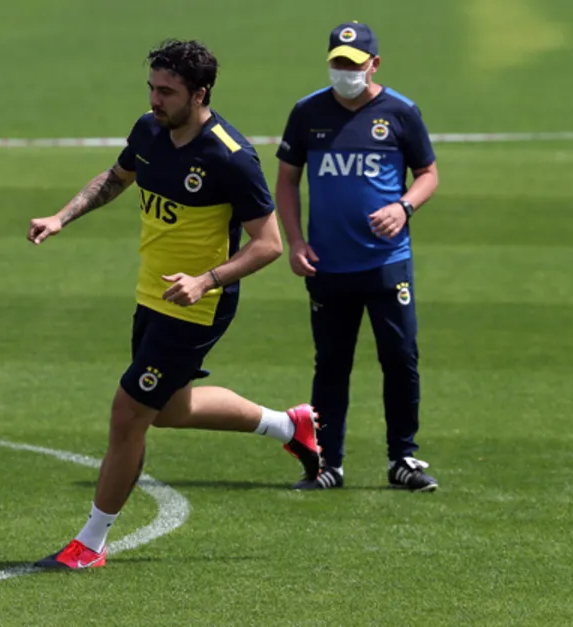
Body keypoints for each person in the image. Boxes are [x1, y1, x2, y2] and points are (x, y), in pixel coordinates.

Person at [27, 39, 320, 569]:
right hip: (152, 294)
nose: (155, 100)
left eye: (167, 92)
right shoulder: (149, 130)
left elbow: (268, 244)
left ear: (199, 94)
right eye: (152, 88)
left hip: (196, 306)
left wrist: (206, 280)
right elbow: (116, 178)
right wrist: (61, 217)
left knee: (129, 413)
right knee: (169, 409)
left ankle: (90, 543)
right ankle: (289, 425)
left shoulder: (230, 156)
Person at [274, 21, 441, 491]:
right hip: (327, 265)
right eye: (338, 63)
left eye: (353, 64)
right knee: (330, 364)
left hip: (387, 262)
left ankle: (403, 459)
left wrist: (403, 207)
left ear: (374, 64)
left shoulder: (400, 112)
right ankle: (327, 463)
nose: (345, 72)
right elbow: (286, 180)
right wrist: (296, 241)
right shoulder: (307, 112)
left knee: (400, 358)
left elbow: (428, 173)